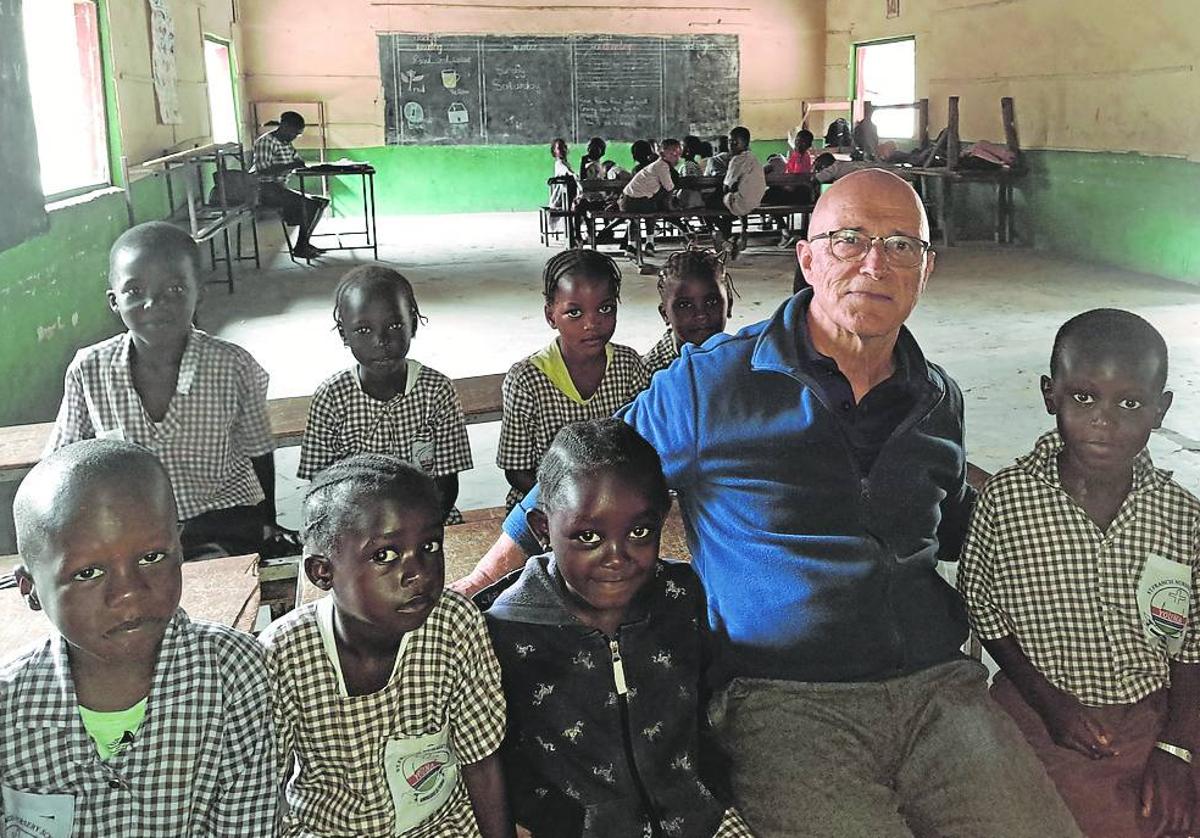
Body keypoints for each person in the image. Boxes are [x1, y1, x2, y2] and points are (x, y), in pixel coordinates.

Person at [459, 169, 1084, 838]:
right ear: (808, 257)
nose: (876, 262)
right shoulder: (713, 384)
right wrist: (476, 582)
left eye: (902, 244)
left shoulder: (937, 397)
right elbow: (582, 473)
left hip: (940, 688)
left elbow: (956, 518)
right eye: (850, 239)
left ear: (925, 269)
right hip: (787, 698)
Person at [958, 309, 1200, 838]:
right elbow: (982, 607)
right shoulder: (1008, 501)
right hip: (1045, 710)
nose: (1104, 420)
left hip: (1154, 710)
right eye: (1084, 397)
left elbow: (1191, 645)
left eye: (1130, 403)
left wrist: (1176, 745)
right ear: (1051, 395)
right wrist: (1051, 704)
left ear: (1161, 411)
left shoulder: (1182, 516)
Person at [479, 419, 754, 837]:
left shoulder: (682, 597)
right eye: (587, 536)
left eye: (640, 532)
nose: (617, 557)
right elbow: (499, 755)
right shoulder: (508, 628)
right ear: (542, 530)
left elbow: (716, 703)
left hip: (702, 822)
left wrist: (717, 791)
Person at [3, 439, 277, 835]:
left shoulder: (237, 675)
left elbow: (246, 825)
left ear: (179, 547)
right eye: (87, 573)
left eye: (151, 558)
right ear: (29, 588)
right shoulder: (8, 709)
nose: (128, 593)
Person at [259, 454, 512, 838]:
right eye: (385, 555)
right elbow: (261, 789)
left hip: (441, 827)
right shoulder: (283, 654)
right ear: (322, 572)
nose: (417, 573)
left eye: (429, 546)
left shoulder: (454, 624)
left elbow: (481, 762)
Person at [45, 222, 298, 560]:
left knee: (217, 576)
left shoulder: (233, 366)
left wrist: (268, 522)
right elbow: (61, 463)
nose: (154, 303)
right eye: (134, 291)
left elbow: (258, 451)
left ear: (199, 292)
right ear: (114, 301)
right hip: (131, 523)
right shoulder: (88, 370)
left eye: (175, 289)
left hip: (221, 515)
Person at [298, 264, 472, 524]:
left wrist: (417, 528)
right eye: (364, 330)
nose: (381, 340)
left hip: (428, 519)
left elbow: (446, 485)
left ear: (412, 325)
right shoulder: (331, 397)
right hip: (354, 524)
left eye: (394, 325)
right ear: (344, 333)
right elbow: (321, 486)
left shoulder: (437, 391)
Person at [497, 249, 649, 511]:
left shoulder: (629, 364)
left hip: (614, 501)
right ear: (550, 315)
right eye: (575, 313)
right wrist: (576, 502)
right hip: (544, 505)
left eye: (605, 308)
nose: (592, 323)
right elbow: (517, 470)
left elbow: (641, 445)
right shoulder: (526, 379)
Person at [642, 248, 735, 376]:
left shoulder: (741, 360)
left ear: (729, 305)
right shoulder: (651, 374)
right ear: (665, 314)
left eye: (711, 302)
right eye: (685, 305)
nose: (701, 315)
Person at [250, 110, 329, 260]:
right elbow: (263, 170)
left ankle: (305, 243)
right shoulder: (266, 142)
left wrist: (305, 165)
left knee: (321, 202)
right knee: (310, 206)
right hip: (264, 189)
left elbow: (297, 162)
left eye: (298, 134)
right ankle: (300, 248)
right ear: (284, 126)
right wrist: (291, 165)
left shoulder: (286, 143)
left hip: (279, 187)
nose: (295, 136)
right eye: (295, 133)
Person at [708, 126, 766, 260]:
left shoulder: (737, 160)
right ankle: (729, 238)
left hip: (740, 203)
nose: (731, 145)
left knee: (707, 206)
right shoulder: (753, 158)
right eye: (729, 141)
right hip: (755, 202)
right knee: (726, 206)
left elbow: (726, 186)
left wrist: (725, 191)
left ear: (745, 143)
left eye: (735, 142)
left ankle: (722, 236)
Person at [619, 138, 682, 255]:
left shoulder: (656, 165)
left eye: (678, 154)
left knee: (637, 217)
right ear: (662, 154)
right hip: (637, 202)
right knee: (652, 211)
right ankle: (649, 243)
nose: (676, 157)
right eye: (672, 153)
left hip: (627, 201)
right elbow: (669, 187)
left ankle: (631, 246)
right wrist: (671, 207)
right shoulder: (662, 166)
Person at [548, 137, 578, 236]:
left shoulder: (565, 163)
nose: (562, 150)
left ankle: (574, 233)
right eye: (558, 148)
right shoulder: (559, 163)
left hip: (566, 194)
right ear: (554, 151)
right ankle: (573, 233)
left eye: (563, 147)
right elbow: (569, 174)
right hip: (560, 196)